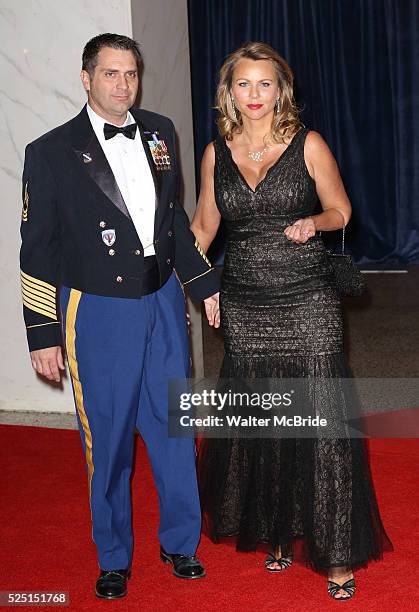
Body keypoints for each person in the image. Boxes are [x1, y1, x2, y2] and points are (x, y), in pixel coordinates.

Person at [20, 33, 220, 600]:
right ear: (85, 78)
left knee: (175, 430)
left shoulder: (159, 130)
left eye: (130, 74)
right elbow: (36, 249)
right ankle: (113, 556)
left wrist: (202, 283)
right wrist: (43, 332)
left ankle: (181, 543)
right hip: (97, 311)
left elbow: (173, 219)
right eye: (110, 74)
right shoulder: (51, 151)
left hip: (160, 301)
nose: (123, 85)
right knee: (107, 440)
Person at [191, 42, 392, 601]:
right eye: (243, 85)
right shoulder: (216, 152)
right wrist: (193, 279)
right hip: (246, 300)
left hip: (307, 297)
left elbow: (342, 211)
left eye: (264, 85)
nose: (254, 96)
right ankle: (281, 531)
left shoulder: (309, 144)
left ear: (282, 90)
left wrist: (313, 221)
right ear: (228, 92)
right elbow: (204, 227)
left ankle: (336, 553)